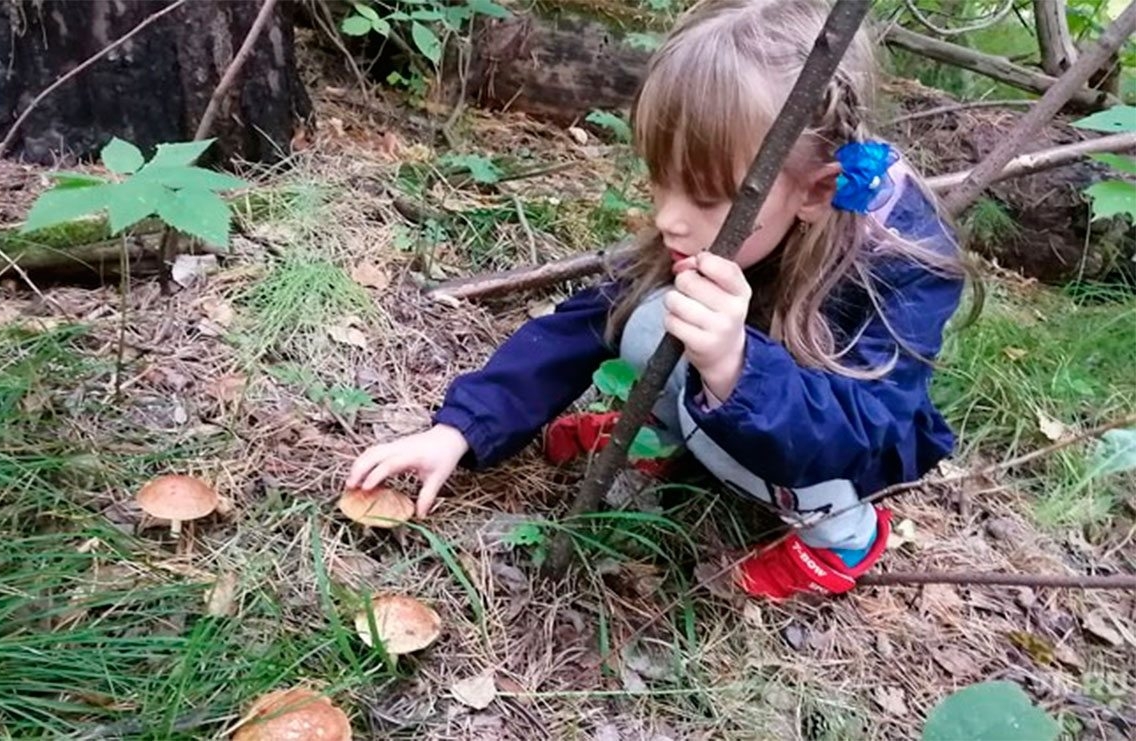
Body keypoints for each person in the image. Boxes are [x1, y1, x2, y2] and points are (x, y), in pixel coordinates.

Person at [347, 0, 971, 601]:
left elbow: (873, 430)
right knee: (645, 315)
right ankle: (673, 436)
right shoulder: (727, 225)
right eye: (658, 180)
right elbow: (587, 322)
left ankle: (844, 540)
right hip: (758, 391)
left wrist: (736, 368)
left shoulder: (900, 264)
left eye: (703, 197)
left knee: (737, 370)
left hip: (835, 452)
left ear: (815, 193)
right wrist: (462, 428)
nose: (668, 217)